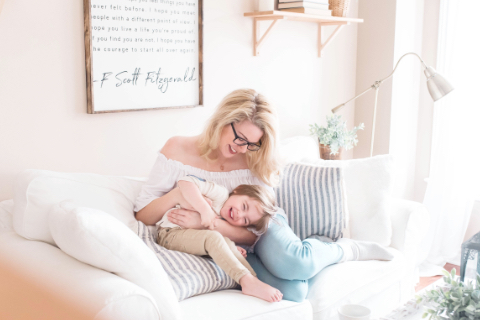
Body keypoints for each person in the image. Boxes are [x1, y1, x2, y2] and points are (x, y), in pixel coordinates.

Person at [135, 88, 393, 302]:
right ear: (223, 121)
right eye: (239, 138)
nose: (241, 148)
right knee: (294, 292)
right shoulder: (177, 149)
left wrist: (211, 222)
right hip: (226, 238)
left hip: (260, 221)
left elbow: (253, 231)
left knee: (295, 263)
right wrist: (180, 195)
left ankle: (343, 250)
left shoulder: (252, 158)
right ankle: (310, 251)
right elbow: (143, 214)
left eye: (251, 144)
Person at [155, 174, 282, 302]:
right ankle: (246, 281)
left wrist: (229, 248)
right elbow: (185, 181)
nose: (240, 214)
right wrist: (205, 210)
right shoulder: (220, 194)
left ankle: (252, 280)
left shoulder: (226, 220)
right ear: (238, 190)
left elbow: (206, 238)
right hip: (170, 233)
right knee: (214, 238)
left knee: (227, 242)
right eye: (244, 206)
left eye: (245, 220)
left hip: (189, 237)